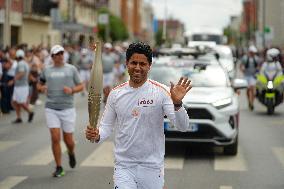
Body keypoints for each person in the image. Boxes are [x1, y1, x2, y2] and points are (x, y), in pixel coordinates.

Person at [85, 42, 192, 189]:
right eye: (133, 63)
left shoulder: (162, 92)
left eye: (142, 64)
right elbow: (106, 126)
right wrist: (97, 135)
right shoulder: (116, 94)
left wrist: (178, 104)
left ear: (149, 65)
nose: (137, 67)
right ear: (126, 64)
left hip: (152, 167)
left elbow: (183, 126)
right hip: (124, 166)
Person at [37, 45, 83, 177]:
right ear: (52, 57)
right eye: (57, 54)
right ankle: (59, 167)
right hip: (51, 108)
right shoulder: (47, 70)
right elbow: (39, 84)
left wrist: (72, 90)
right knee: (55, 137)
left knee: (69, 141)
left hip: (67, 108)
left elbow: (81, 86)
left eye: (61, 53)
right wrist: (42, 88)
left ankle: (71, 152)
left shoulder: (71, 69)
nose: (60, 55)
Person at [11, 49, 34, 123]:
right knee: (15, 102)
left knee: (21, 102)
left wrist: (13, 80)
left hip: (21, 86)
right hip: (19, 86)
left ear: (18, 56)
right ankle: (19, 117)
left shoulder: (21, 63)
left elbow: (22, 73)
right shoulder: (24, 63)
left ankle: (30, 112)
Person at [240, 45, 261, 111]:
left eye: (254, 52)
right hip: (246, 76)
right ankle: (249, 101)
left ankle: (252, 103)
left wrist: (258, 69)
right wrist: (242, 69)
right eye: (252, 52)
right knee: (248, 90)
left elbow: (259, 66)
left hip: (253, 76)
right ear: (250, 51)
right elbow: (241, 66)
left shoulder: (256, 58)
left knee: (253, 89)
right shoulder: (245, 58)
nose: (253, 53)